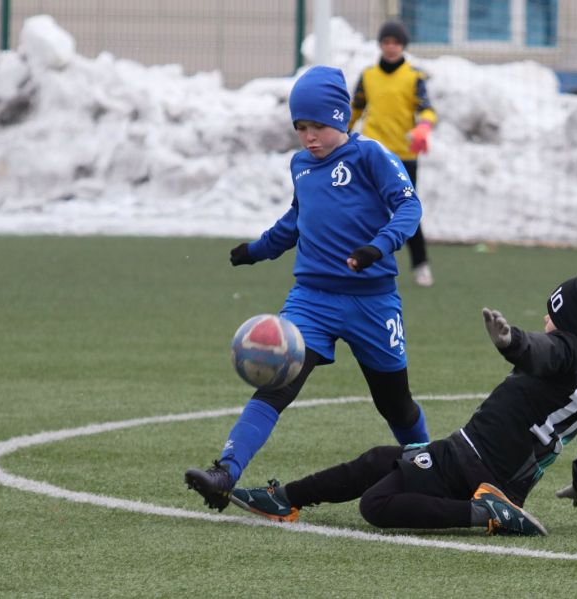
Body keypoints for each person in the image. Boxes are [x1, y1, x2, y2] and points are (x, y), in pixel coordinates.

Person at [184, 66, 431, 512]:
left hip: (373, 303)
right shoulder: (301, 165)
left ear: (341, 118)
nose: (309, 136)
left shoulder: (371, 156)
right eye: (300, 127)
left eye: (318, 125)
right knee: (277, 385)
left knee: (395, 405)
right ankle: (226, 472)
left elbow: (409, 207)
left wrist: (377, 248)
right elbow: (296, 221)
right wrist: (257, 250)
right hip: (312, 300)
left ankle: (434, 470)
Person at [227, 274, 577, 537]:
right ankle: (286, 499)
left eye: (553, 315)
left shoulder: (565, 351)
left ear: (574, 324)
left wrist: (511, 342)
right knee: (380, 459)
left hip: (478, 465)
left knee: (377, 503)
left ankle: (485, 513)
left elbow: (540, 352)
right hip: (490, 470)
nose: (546, 319)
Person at [348, 19, 438, 287]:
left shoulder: (414, 76)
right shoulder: (368, 75)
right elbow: (354, 109)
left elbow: (427, 108)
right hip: (372, 154)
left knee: (407, 211)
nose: (391, 48)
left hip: (404, 155)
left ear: (403, 46)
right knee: (365, 209)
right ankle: (361, 261)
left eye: (396, 43)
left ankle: (420, 265)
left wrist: (423, 127)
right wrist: (341, 135)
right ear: (380, 45)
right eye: (386, 42)